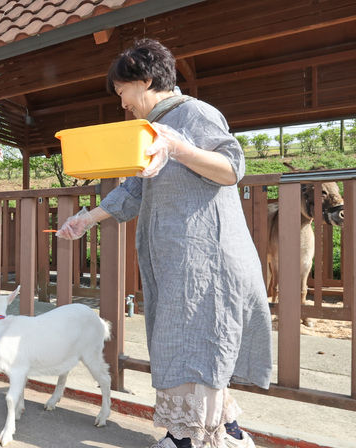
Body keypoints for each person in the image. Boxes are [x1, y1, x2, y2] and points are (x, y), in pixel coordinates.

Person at [56, 39, 272, 448]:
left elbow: (232, 168)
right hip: (180, 261)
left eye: (123, 93)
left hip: (207, 261)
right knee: (185, 345)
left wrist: (176, 147)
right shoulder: (150, 130)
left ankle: (189, 438)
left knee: (196, 346)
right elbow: (133, 190)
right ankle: (219, 428)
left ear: (146, 80)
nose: (123, 104)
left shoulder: (196, 113)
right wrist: (85, 220)